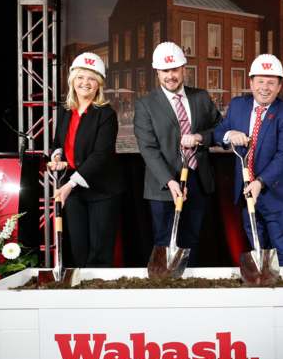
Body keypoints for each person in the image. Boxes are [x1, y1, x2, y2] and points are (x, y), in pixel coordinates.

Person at [134, 42, 221, 265]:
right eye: (165, 71)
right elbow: (148, 149)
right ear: (157, 72)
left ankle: (189, 291)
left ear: (184, 68)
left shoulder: (201, 97)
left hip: (198, 180)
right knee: (165, 241)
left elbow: (219, 129)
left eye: (175, 70)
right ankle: (166, 290)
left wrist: (200, 137)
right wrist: (170, 182)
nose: (170, 76)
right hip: (164, 185)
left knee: (193, 239)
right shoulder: (145, 105)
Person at [213, 54, 283, 266]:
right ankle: (265, 292)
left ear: (279, 87)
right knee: (258, 251)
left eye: (271, 82)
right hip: (246, 196)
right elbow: (219, 133)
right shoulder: (238, 105)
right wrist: (229, 134)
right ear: (250, 83)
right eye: (260, 81)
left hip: (277, 197)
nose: (265, 87)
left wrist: (260, 182)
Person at [49, 53, 124, 267]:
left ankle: (98, 297)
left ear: (98, 83)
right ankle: (80, 296)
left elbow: (101, 155)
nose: (85, 83)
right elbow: (58, 142)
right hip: (74, 192)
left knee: (99, 254)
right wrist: (57, 155)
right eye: (81, 77)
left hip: (102, 190)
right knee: (79, 251)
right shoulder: (65, 110)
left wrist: (70, 184)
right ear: (72, 79)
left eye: (91, 78)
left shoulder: (106, 114)